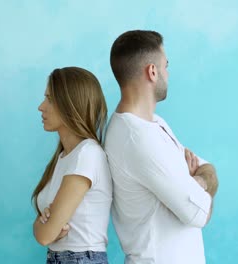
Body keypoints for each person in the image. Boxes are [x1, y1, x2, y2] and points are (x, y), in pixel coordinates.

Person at [104, 30, 219, 264]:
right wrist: (197, 181)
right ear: (152, 71)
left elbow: (208, 169)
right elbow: (199, 213)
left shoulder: (154, 124)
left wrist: (200, 181)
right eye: (166, 66)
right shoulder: (137, 138)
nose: (168, 73)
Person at [32, 67, 112, 264]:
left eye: (50, 99)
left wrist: (46, 224)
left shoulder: (87, 155)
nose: (41, 107)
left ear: (70, 105)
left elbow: (45, 235)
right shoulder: (64, 157)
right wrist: (44, 224)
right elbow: (43, 232)